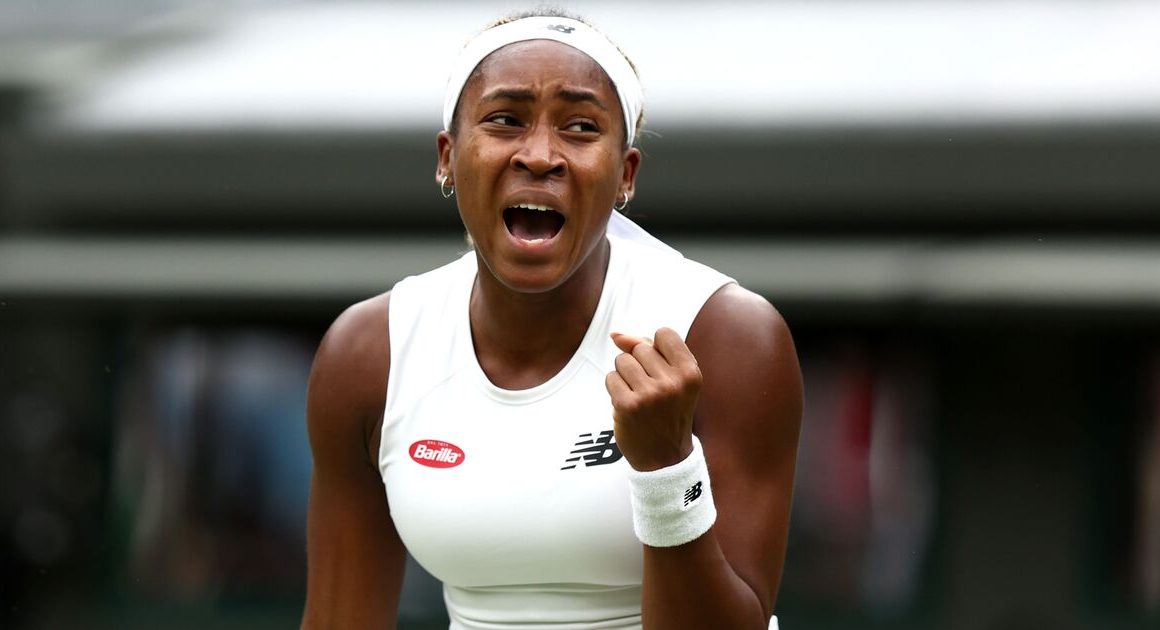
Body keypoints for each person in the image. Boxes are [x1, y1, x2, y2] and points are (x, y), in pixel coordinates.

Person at [301, 9, 802, 630]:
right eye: (505, 119)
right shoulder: (367, 352)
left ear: (626, 174)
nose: (540, 156)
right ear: (447, 158)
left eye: (581, 127)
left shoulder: (728, 337)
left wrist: (667, 468)